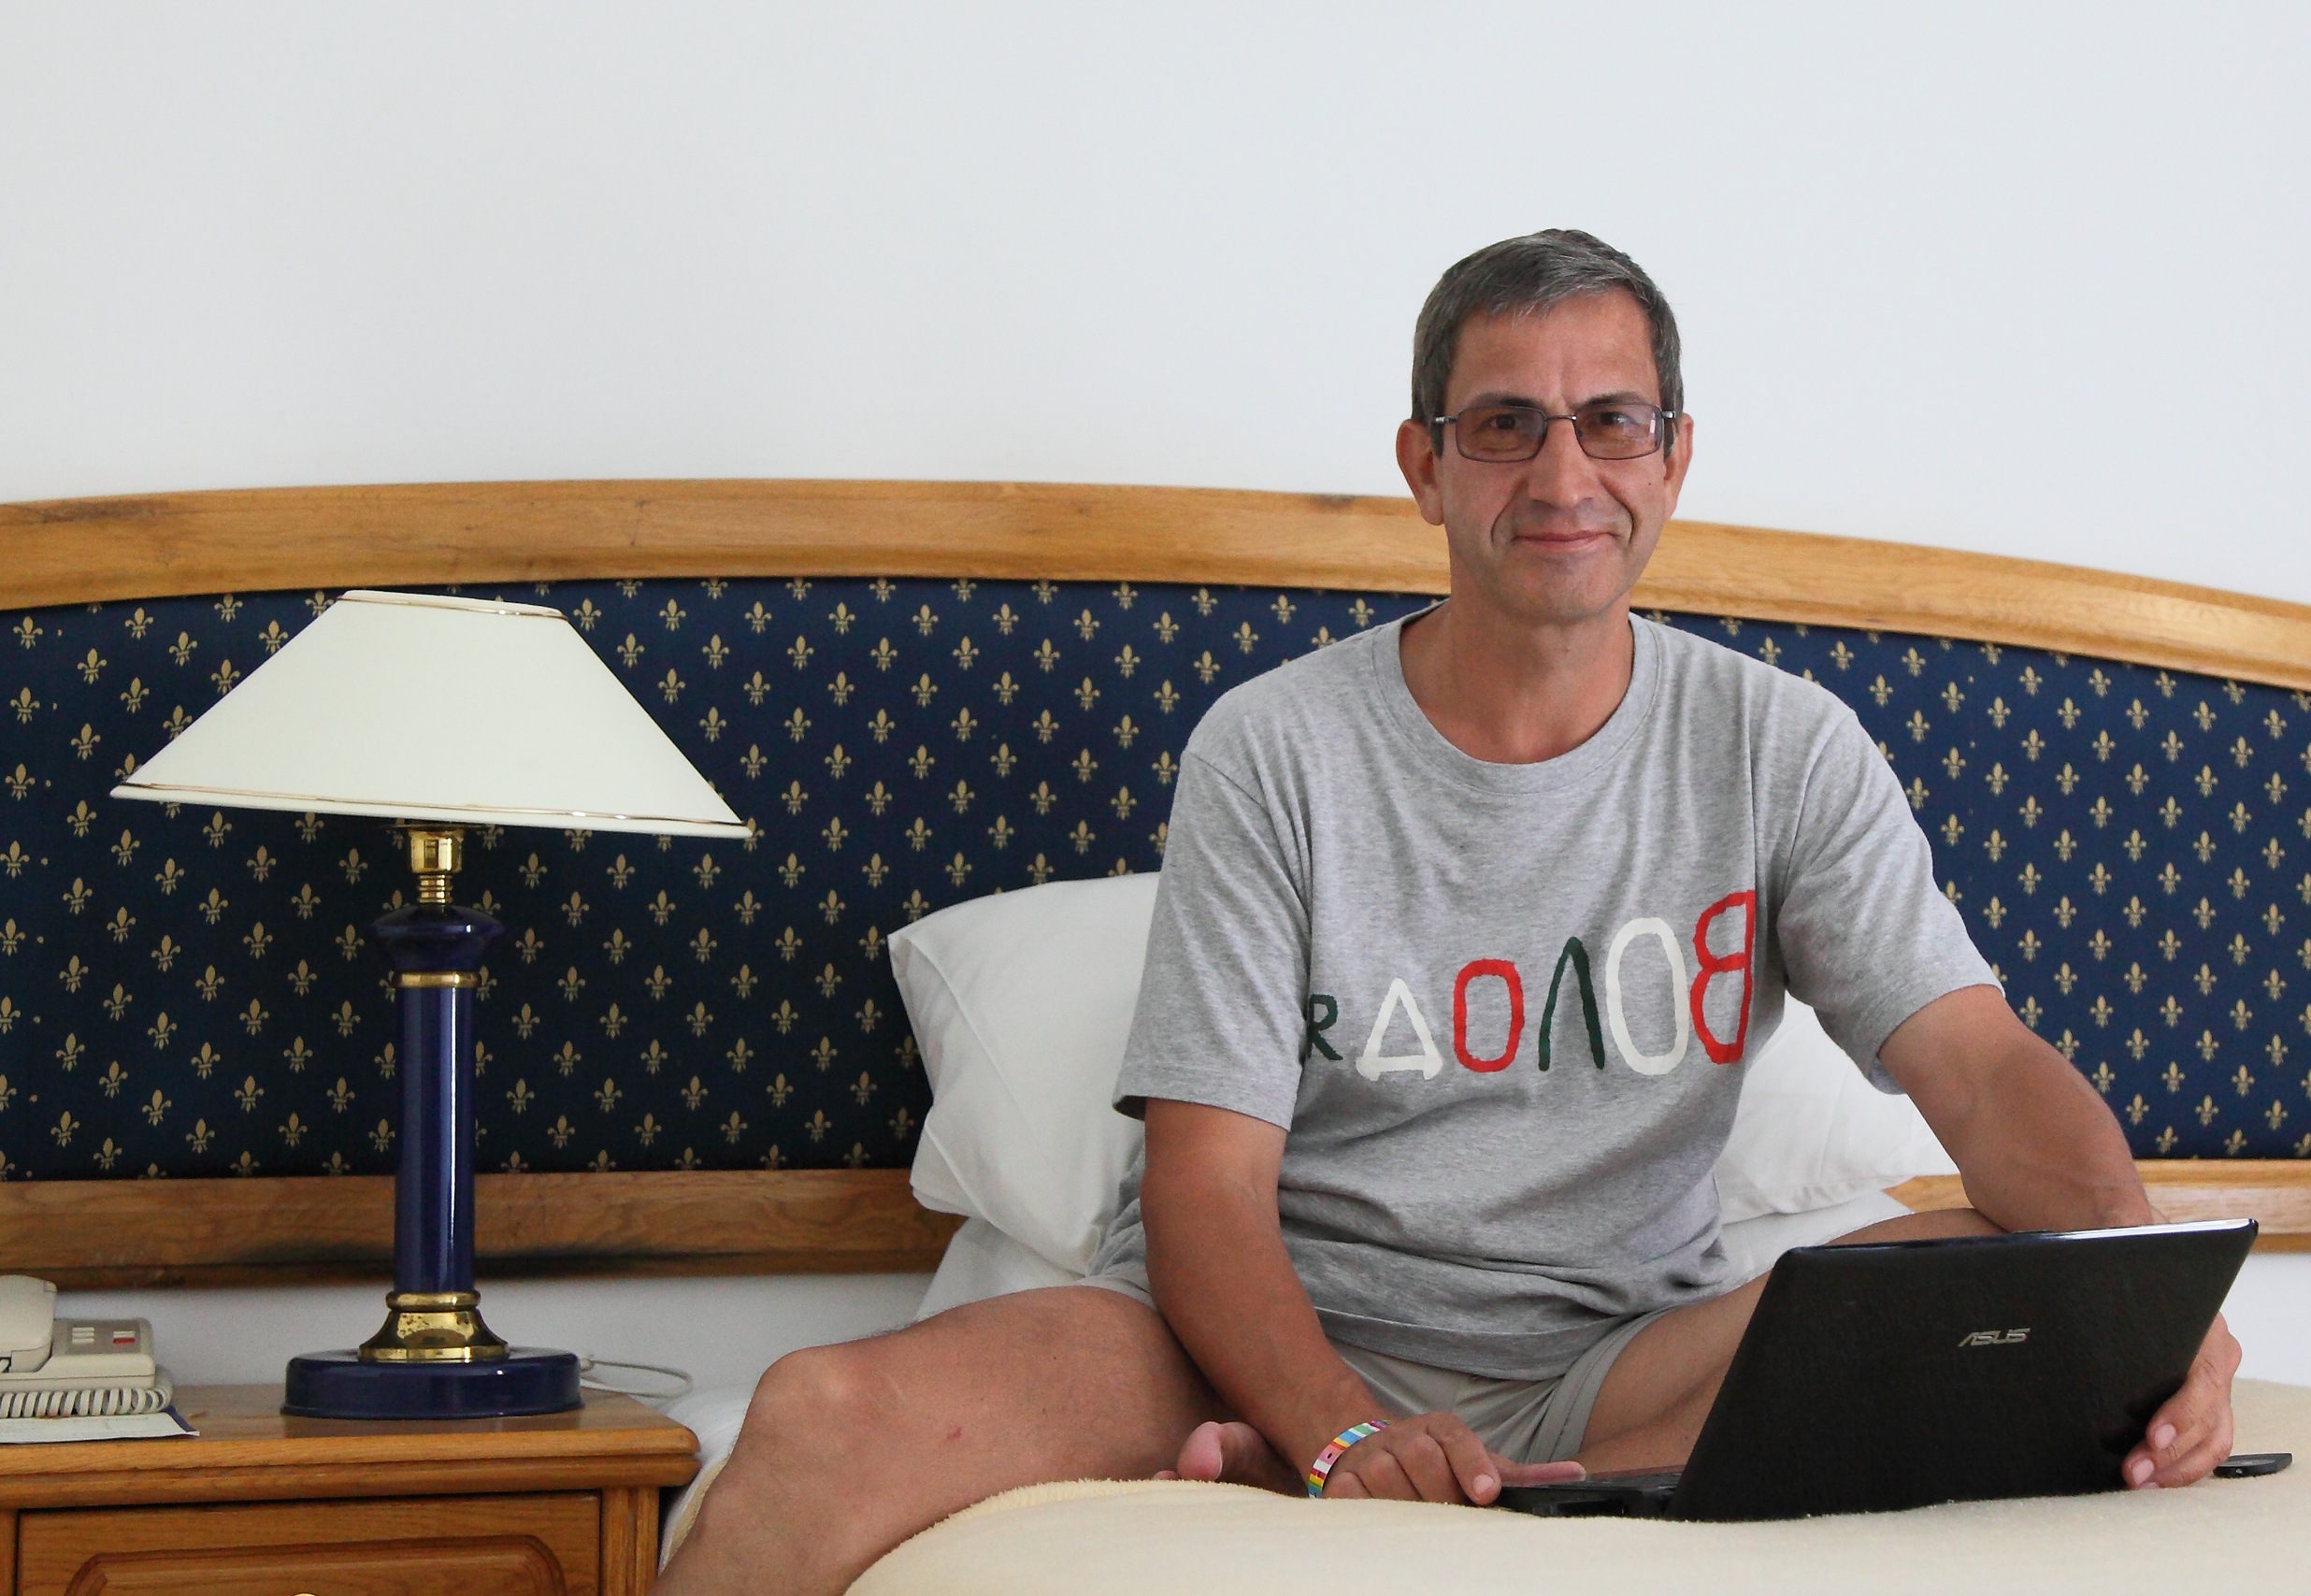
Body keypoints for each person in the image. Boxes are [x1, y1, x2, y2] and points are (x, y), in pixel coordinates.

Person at [655, 230, 2242, 1596]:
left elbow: (1980, 1067)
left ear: (1673, 458)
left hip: (1621, 1360)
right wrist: (1338, 1432)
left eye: (1611, 422)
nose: (1563, 475)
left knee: (1992, 1271)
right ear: (1425, 466)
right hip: (1235, 1347)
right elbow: (1208, 1189)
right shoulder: (1274, 749)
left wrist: (2155, 1309)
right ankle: (1399, 1481)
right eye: (1504, 425)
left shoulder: (1784, 747)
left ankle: (1544, 1500)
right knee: (817, 1418)